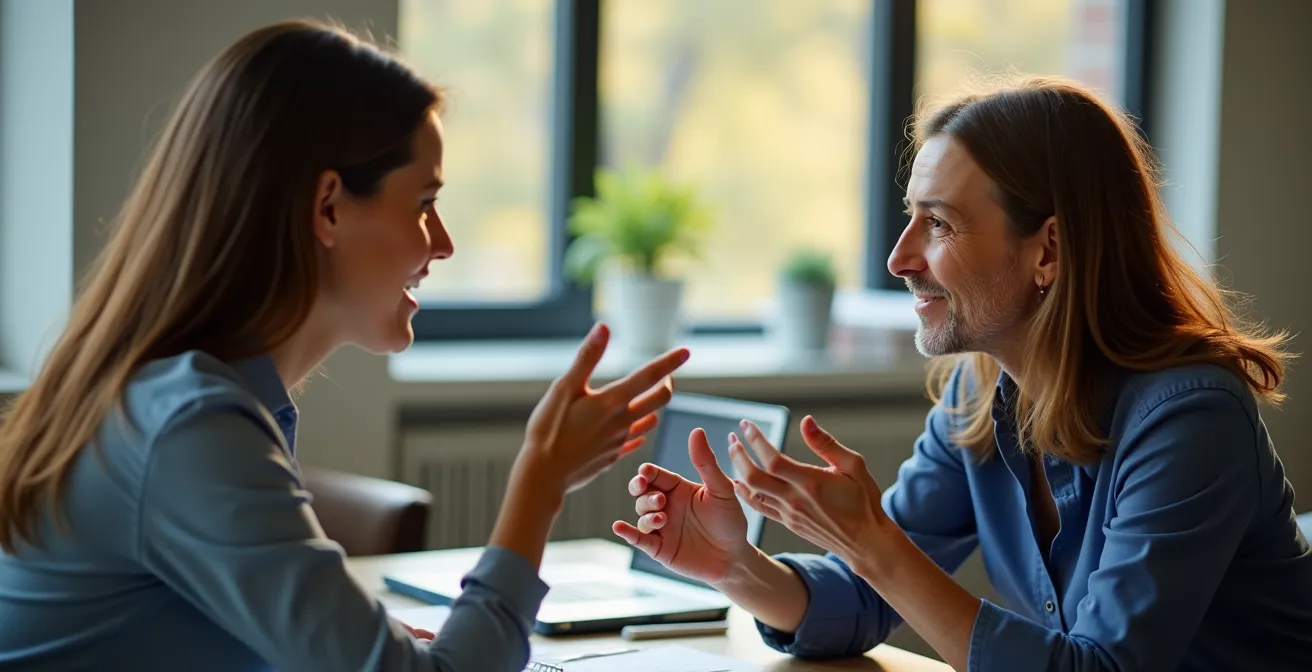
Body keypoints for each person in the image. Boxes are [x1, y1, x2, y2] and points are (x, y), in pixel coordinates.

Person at [0, 21, 688, 672]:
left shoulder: (171, 398)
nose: (443, 243)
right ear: (327, 207)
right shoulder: (191, 428)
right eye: (423, 204)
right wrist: (541, 479)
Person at [615, 77, 1312, 671]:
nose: (898, 258)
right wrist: (737, 566)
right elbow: (865, 597)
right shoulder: (979, 398)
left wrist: (871, 542)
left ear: (1050, 251)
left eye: (939, 225)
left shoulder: (1189, 418)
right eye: (909, 218)